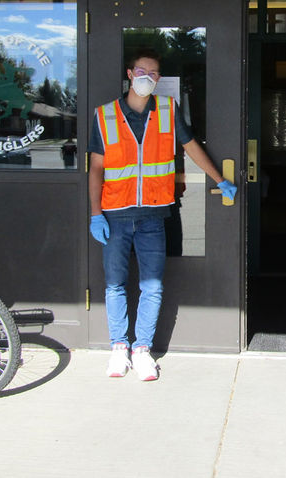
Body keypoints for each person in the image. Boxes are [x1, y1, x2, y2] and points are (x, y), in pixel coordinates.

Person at [88, 48, 236, 380]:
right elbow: (96, 168)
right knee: (115, 285)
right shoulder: (105, 115)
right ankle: (118, 349)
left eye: (154, 74)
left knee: (152, 286)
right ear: (130, 74)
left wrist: (220, 179)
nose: (147, 79)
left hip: (154, 215)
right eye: (142, 72)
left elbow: (192, 146)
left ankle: (142, 350)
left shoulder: (168, 110)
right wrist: (95, 213)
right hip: (114, 215)